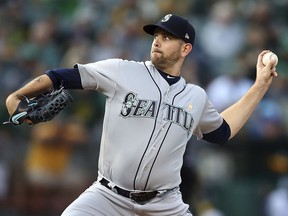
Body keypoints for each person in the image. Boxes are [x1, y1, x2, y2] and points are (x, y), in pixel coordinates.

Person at [5, 14, 277, 216]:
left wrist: (260, 84)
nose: (157, 41)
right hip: (108, 197)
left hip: (166, 204)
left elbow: (223, 131)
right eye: (156, 35)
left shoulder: (196, 96)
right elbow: (62, 76)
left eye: (167, 37)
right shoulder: (122, 70)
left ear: (186, 48)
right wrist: (16, 96)